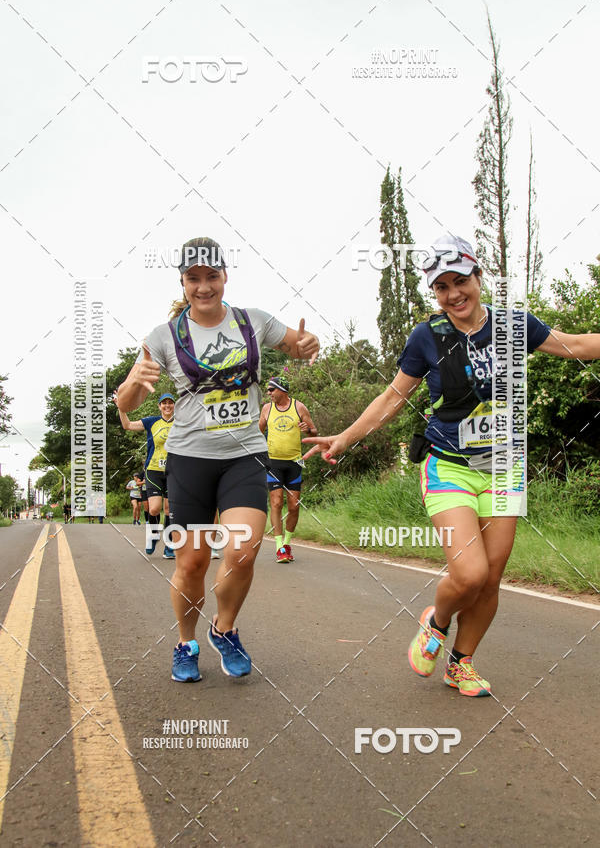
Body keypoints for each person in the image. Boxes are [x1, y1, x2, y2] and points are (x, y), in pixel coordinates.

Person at [303, 233, 600, 698]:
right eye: (441, 287)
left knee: (492, 577)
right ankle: (436, 620)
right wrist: (345, 437)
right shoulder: (427, 336)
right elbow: (392, 398)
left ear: (478, 278)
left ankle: (461, 663)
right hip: (449, 466)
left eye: (460, 281)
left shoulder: (514, 325)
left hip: (504, 469)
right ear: (435, 293)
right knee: (469, 574)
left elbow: (578, 346)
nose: (453, 294)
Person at [116, 236, 319, 683]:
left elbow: (298, 342)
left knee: (244, 552)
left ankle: (224, 630)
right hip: (189, 459)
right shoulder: (163, 337)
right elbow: (126, 402)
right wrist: (133, 381)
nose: (204, 287)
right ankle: (185, 642)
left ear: (225, 276)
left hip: (245, 454)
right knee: (191, 562)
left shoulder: (253, 322)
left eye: (212, 276)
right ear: (183, 283)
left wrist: (308, 344)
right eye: (194, 279)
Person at [258, 375, 317, 562]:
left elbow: (314, 431)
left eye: (271, 390)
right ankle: (279, 547)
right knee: (276, 503)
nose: (269, 393)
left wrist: (306, 429)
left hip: (295, 463)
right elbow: (258, 432)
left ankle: (287, 543)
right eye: (268, 390)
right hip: (273, 462)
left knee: (294, 506)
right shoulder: (267, 409)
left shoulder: (299, 407)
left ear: (282, 390)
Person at [118, 394, 175, 557]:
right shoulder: (152, 421)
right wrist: (121, 408)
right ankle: (153, 536)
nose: (167, 406)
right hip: (153, 470)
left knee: (169, 508)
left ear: (174, 406)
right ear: (159, 406)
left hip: (174, 471)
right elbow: (127, 425)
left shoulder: (181, 422)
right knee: (155, 509)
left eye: (170, 403)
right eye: (164, 403)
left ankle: (169, 546)